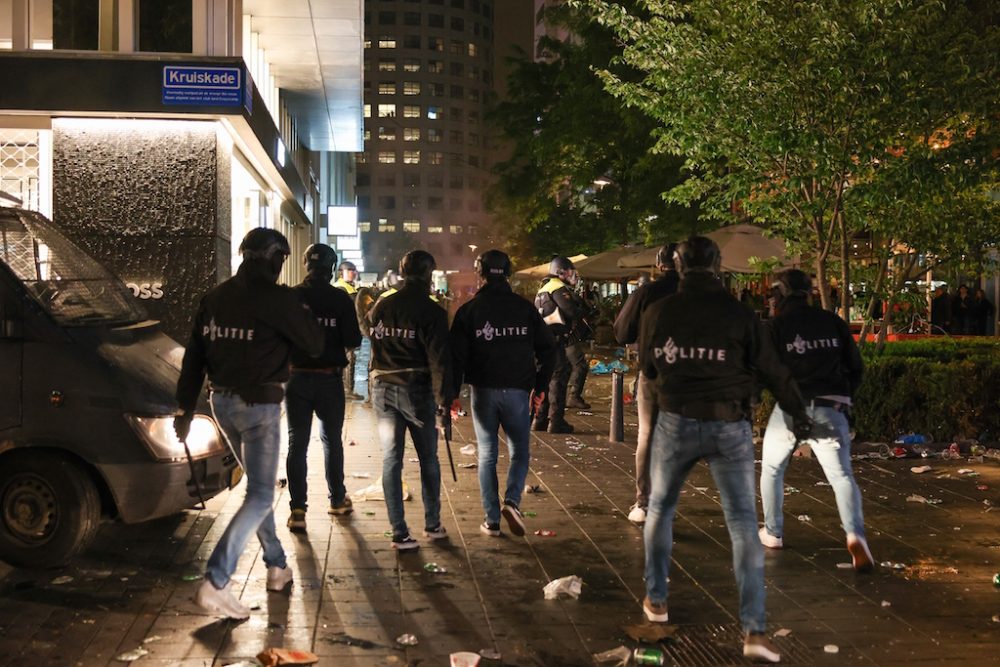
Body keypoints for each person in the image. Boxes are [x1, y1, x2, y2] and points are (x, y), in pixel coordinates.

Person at [638, 236, 810, 663]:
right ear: (717, 266)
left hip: (675, 419)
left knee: (660, 509)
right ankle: (754, 629)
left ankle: (656, 601)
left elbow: (647, 365)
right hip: (730, 424)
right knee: (741, 523)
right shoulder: (739, 315)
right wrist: (799, 416)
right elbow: (773, 369)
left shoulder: (659, 312)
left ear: (677, 266)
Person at [175, 228, 324, 620]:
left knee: (258, 490)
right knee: (259, 495)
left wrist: (184, 409)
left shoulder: (216, 297)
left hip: (221, 402)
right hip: (259, 406)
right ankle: (216, 581)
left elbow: (194, 357)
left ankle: (277, 566)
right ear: (274, 258)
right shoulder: (279, 300)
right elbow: (314, 343)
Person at [758, 270, 873, 574]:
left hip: (790, 409)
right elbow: (856, 368)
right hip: (830, 406)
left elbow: (764, 371)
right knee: (841, 476)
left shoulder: (776, 327)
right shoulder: (832, 322)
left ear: (780, 295)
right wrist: (843, 397)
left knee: (771, 469)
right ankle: (855, 535)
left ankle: (773, 532)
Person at [450, 249, 556, 537]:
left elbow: (455, 357)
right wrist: (542, 385)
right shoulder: (525, 309)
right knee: (519, 451)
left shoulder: (469, 311)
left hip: (483, 392)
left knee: (486, 455)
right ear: (508, 272)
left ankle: (492, 520)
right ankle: (512, 501)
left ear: (480, 273)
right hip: (518, 393)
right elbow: (548, 349)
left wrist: (450, 395)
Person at [368, 250, 452, 550]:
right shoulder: (433, 312)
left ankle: (399, 532)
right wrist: (444, 402)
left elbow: (369, 331)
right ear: (429, 274)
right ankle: (432, 524)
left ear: (402, 272)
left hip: (382, 388)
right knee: (428, 458)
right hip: (416, 389)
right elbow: (440, 361)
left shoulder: (382, 305)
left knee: (392, 459)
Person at [284, 244, 363, 532]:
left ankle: (298, 510)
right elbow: (353, 339)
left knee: (297, 444)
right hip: (329, 379)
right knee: (331, 440)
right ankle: (337, 500)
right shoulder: (339, 298)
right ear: (332, 267)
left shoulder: (292, 296)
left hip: (297, 379)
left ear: (306, 264)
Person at [612, 243, 679, 526]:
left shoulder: (647, 293)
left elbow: (621, 331)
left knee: (648, 435)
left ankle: (644, 502)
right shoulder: (704, 296)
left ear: (659, 265)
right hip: (693, 376)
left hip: (654, 370)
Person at [533, 256, 585, 434]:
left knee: (544, 380)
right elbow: (571, 311)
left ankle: (540, 419)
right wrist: (580, 308)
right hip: (554, 340)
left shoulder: (543, 288)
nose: (572, 276)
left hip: (542, 341)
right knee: (558, 379)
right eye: (569, 272)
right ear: (560, 272)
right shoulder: (557, 287)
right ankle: (556, 421)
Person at [333, 260, 364, 400]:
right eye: (350, 270)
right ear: (341, 272)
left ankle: (346, 389)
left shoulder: (348, 288)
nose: (353, 272)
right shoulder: (341, 289)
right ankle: (347, 390)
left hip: (345, 330)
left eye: (354, 270)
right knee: (349, 359)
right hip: (343, 331)